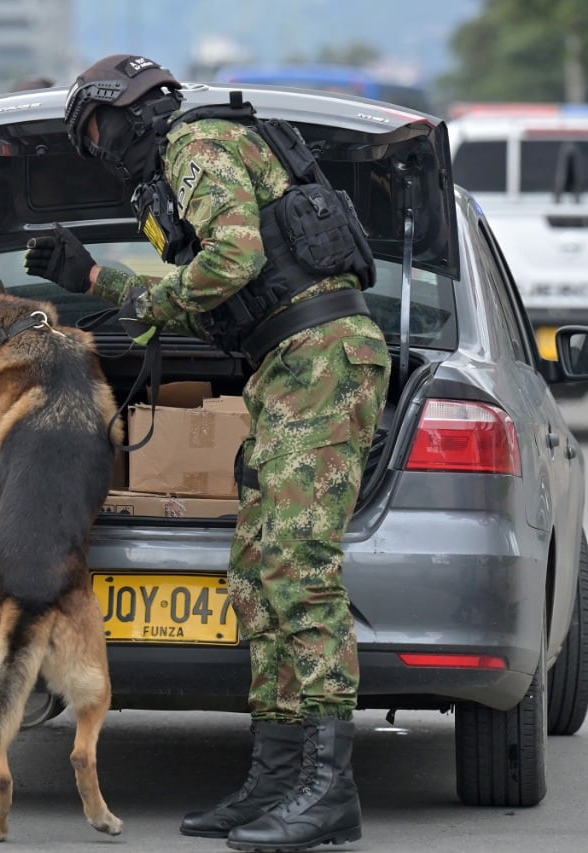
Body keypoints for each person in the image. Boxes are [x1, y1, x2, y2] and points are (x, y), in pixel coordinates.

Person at [24, 55, 389, 851]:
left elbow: (232, 260)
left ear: (129, 108)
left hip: (319, 355)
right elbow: (220, 292)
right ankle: (279, 776)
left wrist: (144, 295)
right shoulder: (196, 155)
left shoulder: (194, 144)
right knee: (258, 573)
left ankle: (329, 788)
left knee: (299, 569)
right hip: (287, 364)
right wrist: (95, 279)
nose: (98, 148)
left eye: (96, 130)